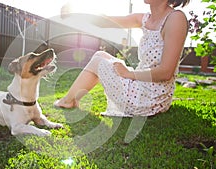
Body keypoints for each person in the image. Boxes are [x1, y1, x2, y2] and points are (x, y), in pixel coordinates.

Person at [54, 0, 190, 117]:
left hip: (150, 98)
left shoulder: (175, 19)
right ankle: (70, 100)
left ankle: (68, 101)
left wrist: (129, 73)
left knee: (98, 61)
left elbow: (166, 72)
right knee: (100, 56)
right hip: (141, 86)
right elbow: (105, 22)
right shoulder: (145, 19)